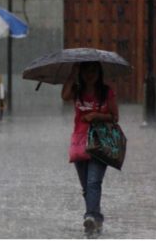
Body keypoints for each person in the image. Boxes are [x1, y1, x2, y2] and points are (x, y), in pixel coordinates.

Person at [61, 61, 119, 236]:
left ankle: (90, 216)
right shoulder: (77, 91)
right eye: (86, 70)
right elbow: (64, 96)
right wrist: (72, 74)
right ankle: (97, 218)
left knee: (94, 182)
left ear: (99, 72)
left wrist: (96, 116)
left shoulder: (106, 92)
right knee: (87, 186)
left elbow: (114, 117)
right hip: (80, 142)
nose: (90, 74)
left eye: (93, 70)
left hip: (100, 142)